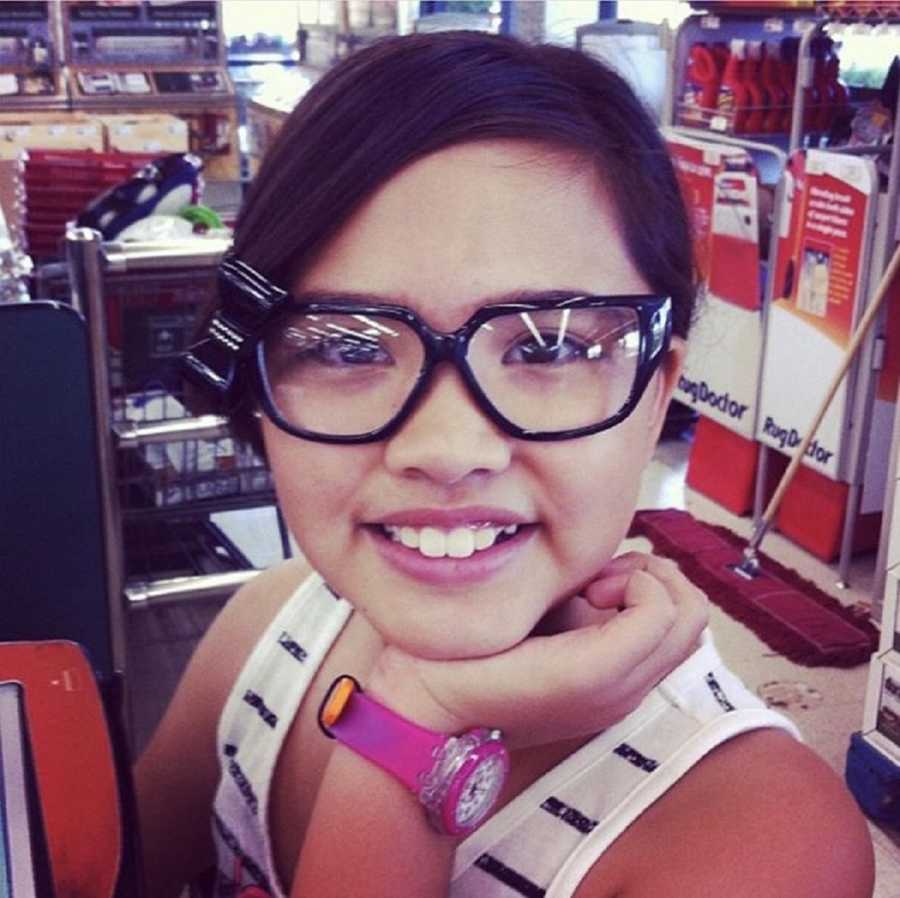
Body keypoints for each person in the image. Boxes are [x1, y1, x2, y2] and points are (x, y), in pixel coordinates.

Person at [135, 30, 874, 898]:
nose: (448, 451)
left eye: (550, 346)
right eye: (344, 346)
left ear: (657, 394)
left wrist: (413, 732)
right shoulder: (269, 627)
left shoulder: (762, 840)